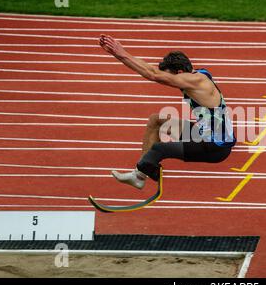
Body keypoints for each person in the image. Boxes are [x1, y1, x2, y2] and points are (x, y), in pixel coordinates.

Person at [99, 34, 236, 190]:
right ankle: (139, 176)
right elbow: (153, 71)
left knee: (160, 149)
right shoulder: (199, 74)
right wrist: (119, 55)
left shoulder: (195, 82)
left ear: (178, 72)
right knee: (156, 121)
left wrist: (121, 53)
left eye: (169, 76)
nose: (167, 80)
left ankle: (145, 168)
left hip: (215, 148)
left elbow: (153, 75)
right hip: (204, 134)